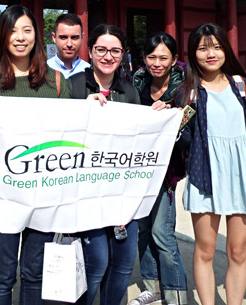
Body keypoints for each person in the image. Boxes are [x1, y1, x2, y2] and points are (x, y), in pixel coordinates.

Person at [0, 5, 71, 304]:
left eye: (27, 30)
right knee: (2, 275)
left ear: (37, 35)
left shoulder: (57, 83)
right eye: (12, 31)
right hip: (2, 195)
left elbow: (72, 138)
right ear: (2, 37)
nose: (20, 37)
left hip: (43, 193)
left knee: (35, 274)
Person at [175, 23, 246, 305]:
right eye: (203, 48)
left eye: (216, 46)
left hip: (241, 176)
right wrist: (172, 121)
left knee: (238, 252)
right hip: (205, 177)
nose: (211, 54)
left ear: (225, 50)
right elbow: (183, 142)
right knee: (205, 250)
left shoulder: (241, 86)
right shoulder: (188, 92)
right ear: (194, 53)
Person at [69, 24, 140, 305]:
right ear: (90, 51)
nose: (108, 56)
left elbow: (139, 146)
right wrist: (81, 111)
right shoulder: (73, 87)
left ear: (123, 55)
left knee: (123, 265)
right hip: (85, 194)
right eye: (101, 49)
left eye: (115, 51)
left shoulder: (131, 93)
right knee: (96, 264)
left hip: (122, 193)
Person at [130, 32, 188, 305]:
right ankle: (152, 287)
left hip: (165, 173)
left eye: (163, 57)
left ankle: (176, 294)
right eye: (151, 56)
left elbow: (190, 134)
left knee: (162, 234)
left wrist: (170, 119)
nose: (157, 62)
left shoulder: (184, 90)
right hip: (136, 170)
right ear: (144, 58)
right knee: (142, 230)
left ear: (174, 60)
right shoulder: (135, 84)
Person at [47, 12, 90, 78]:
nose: (69, 44)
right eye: (63, 37)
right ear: (54, 37)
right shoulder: (43, 70)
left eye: (74, 38)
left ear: (82, 38)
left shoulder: (90, 72)